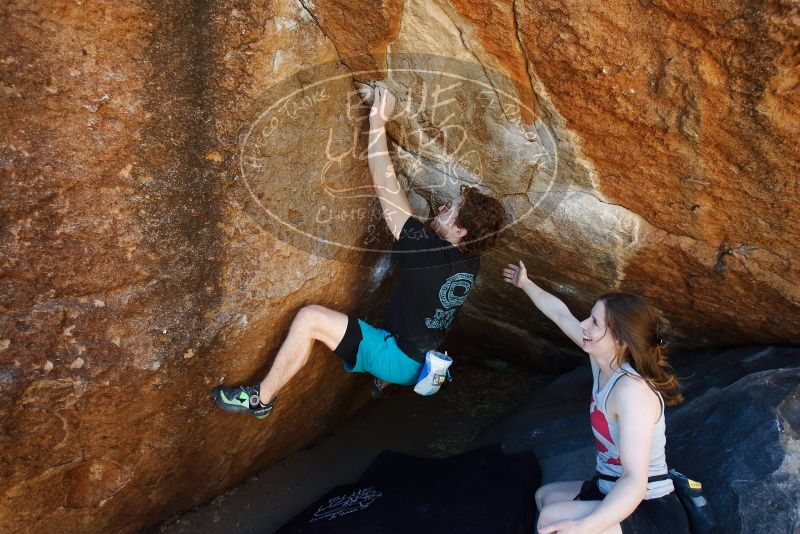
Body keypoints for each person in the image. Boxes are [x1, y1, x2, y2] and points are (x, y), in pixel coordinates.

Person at [212, 86, 505, 419]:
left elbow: (385, 184)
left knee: (310, 319)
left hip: (397, 358)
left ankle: (260, 400)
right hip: (425, 359)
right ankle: (382, 381)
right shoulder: (471, 261)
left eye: (449, 210)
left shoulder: (428, 252)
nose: (440, 209)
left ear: (461, 231)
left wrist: (378, 121)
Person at [502, 261, 690, 534]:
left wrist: (585, 526)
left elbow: (635, 481)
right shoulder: (602, 360)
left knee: (551, 520)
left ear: (621, 340)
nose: (584, 325)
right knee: (545, 497)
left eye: (594, 323)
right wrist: (525, 283)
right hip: (608, 486)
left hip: (647, 509)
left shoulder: (632, 393)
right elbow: (560, 315)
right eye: (589, 317)